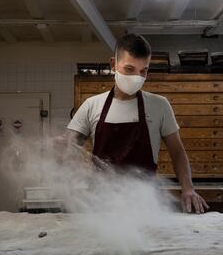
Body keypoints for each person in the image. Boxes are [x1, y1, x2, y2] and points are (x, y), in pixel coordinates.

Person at [67, 34, 208, 214]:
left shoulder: (159, 105)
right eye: (129, 69)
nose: (137, 77)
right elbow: (69, 147)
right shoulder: (92, 105)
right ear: (113, 65)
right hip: (101, 206)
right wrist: (61, 146)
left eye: (143, 71)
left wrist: (188, 188)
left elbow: (177, 152)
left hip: (145, 204)